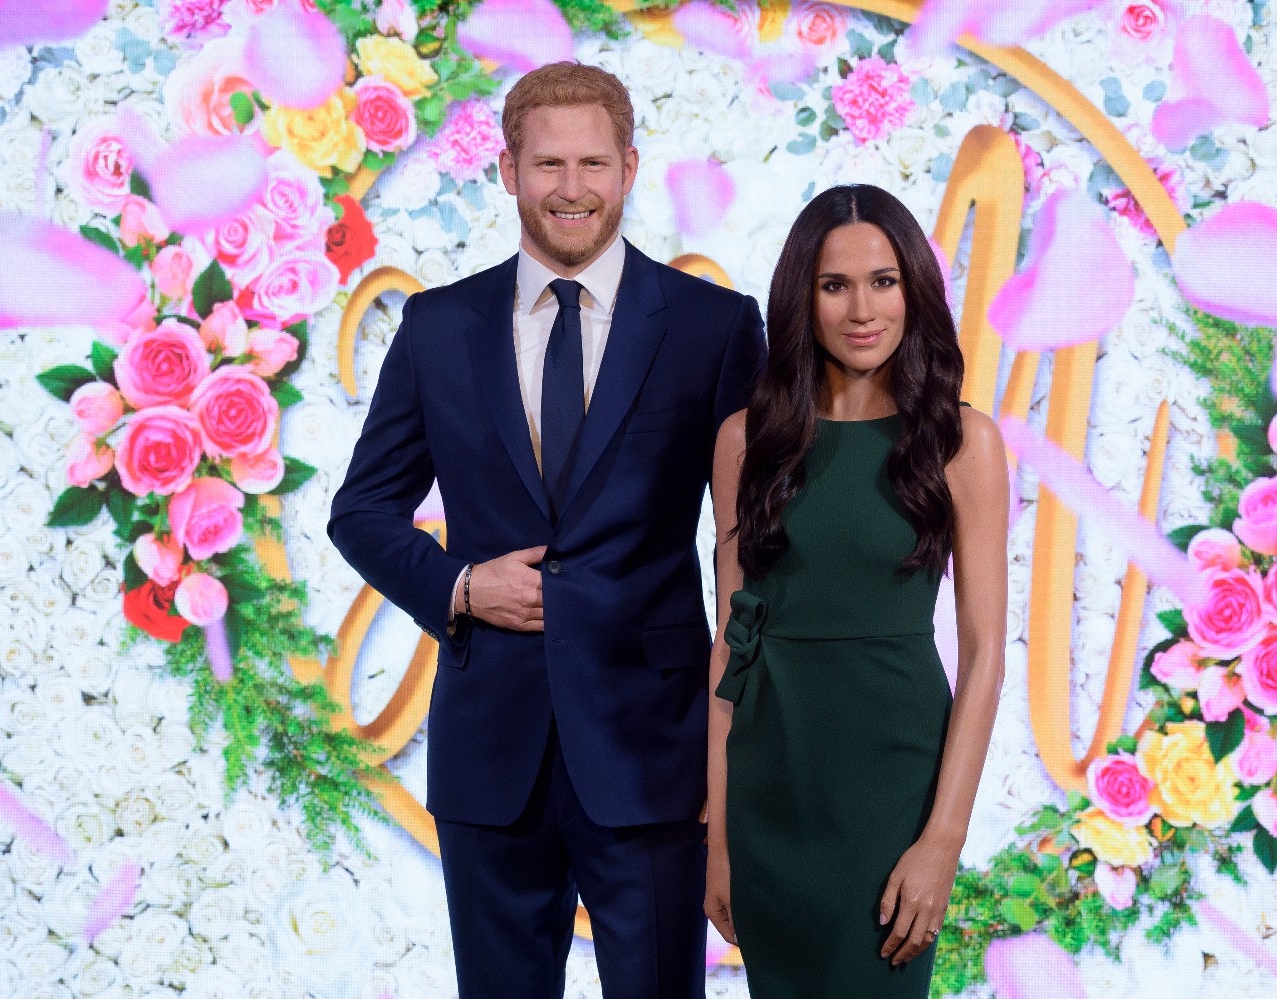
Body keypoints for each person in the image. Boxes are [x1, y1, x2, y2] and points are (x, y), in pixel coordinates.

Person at [327, 63, 765, 998]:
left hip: (653, 750)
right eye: (548, 164)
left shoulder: (714, 328)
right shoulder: (439, 327)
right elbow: (359, 509)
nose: (572, 188)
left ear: (632, 166)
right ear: (507, 172)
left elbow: (752, 543)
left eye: (593, 163)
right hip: (492, 751)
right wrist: (459, 584)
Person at [702, 184, 1008, 996]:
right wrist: (721, 838)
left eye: (884, 280)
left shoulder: (961, 440)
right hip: (770, 793)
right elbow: (729, 648)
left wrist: (943, 837)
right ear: (803, 297)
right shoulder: (745, 440)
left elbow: (983, 657)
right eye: (834, 284)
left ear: (914, 289)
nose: (861, 308)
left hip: (892, 792)